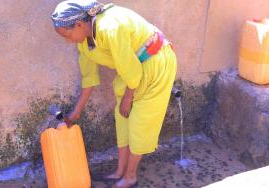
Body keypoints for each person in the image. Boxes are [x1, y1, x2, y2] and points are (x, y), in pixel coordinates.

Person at [51, 0, 177, 187]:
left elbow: (132, 70)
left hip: (155, 63)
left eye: (67, 35)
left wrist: (129, 96)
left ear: (78, 24)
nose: (68, 41)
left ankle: (130, 176)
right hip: (132, 72)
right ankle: (120, 171)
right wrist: (75, 113)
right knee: (122, 119)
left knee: (141, 123)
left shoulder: (109, 28)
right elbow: (89, 79)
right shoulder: (84, 44)